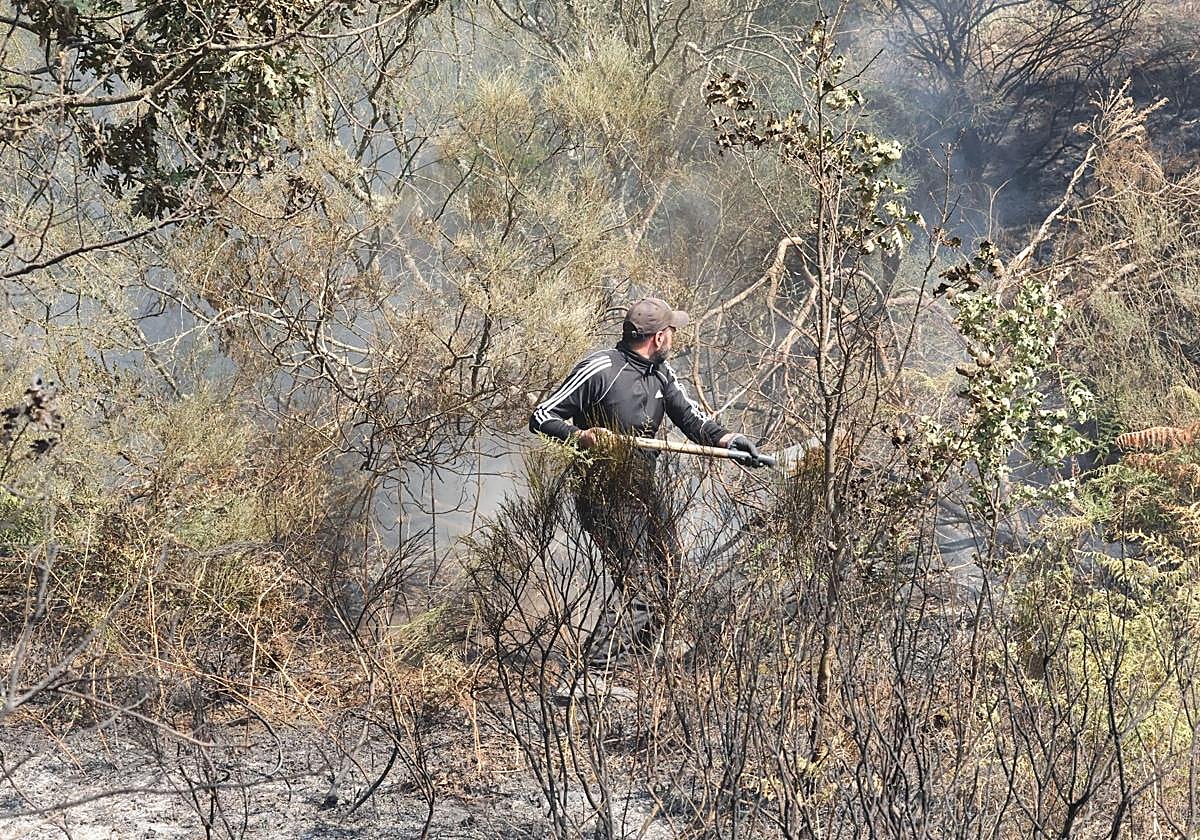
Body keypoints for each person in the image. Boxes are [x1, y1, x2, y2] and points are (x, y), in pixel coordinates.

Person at [529, 297, 763, 697]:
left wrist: (730, 440)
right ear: (659, 336)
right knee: (640, 582)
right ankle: (591, 674)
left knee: (669, 572)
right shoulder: (599, 368)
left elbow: (691, 419)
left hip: (642, 490)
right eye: (672, 330)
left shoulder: (662, 373)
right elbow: (541, 415)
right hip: (603, 493)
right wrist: (580, 436)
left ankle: (629, 658)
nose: (674, 336)